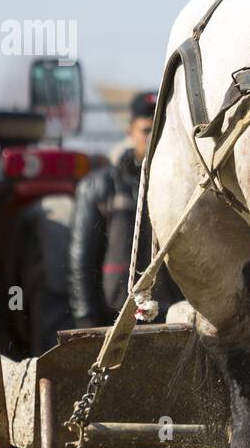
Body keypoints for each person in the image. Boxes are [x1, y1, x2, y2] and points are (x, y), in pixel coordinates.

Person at [69, 91, 180, 328]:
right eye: (147, 130)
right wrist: (86, 320)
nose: (154, 139)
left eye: (161, 131)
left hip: (171, 318)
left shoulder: (182, 188)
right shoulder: (99, 187)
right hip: (113, 318)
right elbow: (81, 262)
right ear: (130, 131)